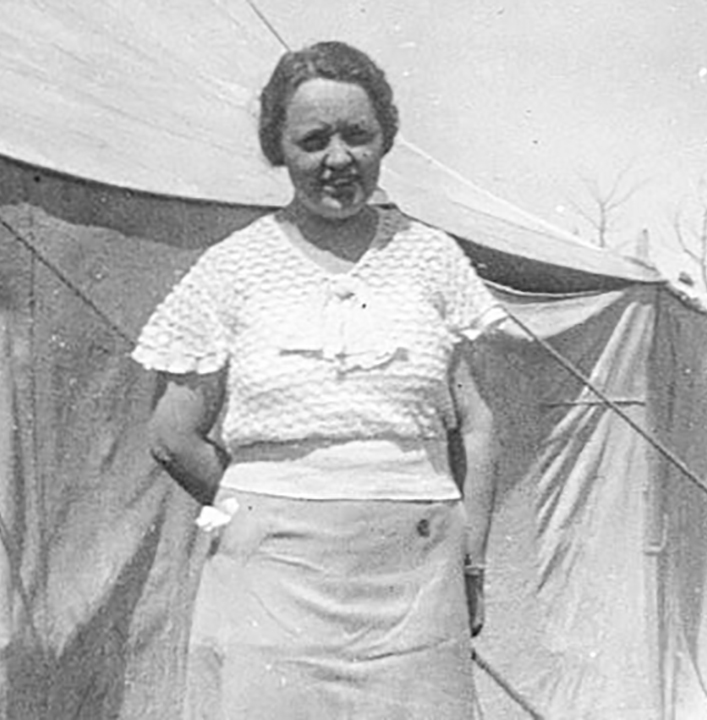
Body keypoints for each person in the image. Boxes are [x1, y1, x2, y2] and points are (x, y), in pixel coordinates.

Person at [132, 40, 508, 720]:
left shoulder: (430, 258)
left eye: (357, 136)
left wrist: (470, 556)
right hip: (271, 579)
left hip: (416, 577)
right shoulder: (232, 268)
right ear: (278, 148)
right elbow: (171, 434)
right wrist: (267, 509)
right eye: (312, 140)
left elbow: (474, 422)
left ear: (384, 138)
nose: (338, 159)